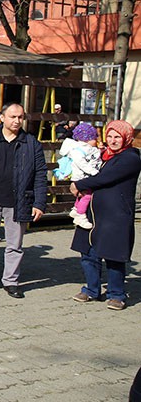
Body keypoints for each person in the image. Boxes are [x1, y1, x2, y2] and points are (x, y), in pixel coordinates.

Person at [0, 103, 47, 298]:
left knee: (15, 245)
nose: (16, 121)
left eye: (20, 117)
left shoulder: (31, 144)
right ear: (2, 118)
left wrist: (39, 203)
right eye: (13, 117)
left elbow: (40, 174)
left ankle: (11, 281)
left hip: (19, 201)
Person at [70, 120, 141, 311]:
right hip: (92, 213)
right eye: (109, 136)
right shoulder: (103, 155)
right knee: (88, 253)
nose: (113, 140)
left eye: (117, 137)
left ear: (127, 138)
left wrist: (79, 185)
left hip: (115, 215)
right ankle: (92, 289)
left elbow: (105, 178)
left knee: (114, 256)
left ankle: (116, 294)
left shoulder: (130, 158)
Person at [55, 122, 101, 229]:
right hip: (81, 177)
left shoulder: (88, 149)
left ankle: (76, 209)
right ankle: (80, 215)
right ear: (87, 139)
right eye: (95, 138)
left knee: (82, 195)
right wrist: (93, 171)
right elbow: (82, 163)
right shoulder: (79, 150)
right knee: (87, 196)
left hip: (84, 176)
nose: (97, 141)